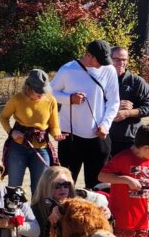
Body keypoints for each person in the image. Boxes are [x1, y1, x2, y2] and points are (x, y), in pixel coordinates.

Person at [51, 40, 120, 188]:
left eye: (105, 60)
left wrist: (105, 124)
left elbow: (114, 101)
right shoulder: (67, 69)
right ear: (88, 55)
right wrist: (69, 99)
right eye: (99, 60)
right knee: (65, 185)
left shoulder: (109, 69)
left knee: (98, 186)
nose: (102, 64)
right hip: (70, 135)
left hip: (98, 135)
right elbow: (49, 94)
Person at [0, 69, 63, 192]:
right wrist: (11, 132)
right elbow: (3, 117)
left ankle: (36, 206)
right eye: (38, 91)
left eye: (44, 91)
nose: (42, 94)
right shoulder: (17, 99)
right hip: (18, 146)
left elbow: (54, 126)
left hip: (41, 147)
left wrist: (57, 135)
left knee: (40, 189)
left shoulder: (51, 100)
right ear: (28, 87)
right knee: (14, 188)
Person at [108, 46, 149, 157]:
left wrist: (128, 113)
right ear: (109, 59)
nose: (121, 63)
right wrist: (114, 106)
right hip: (103, 137)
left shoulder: (137, 82)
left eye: (124, 59)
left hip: (128, 139)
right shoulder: (101, 80)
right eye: (116, 59)